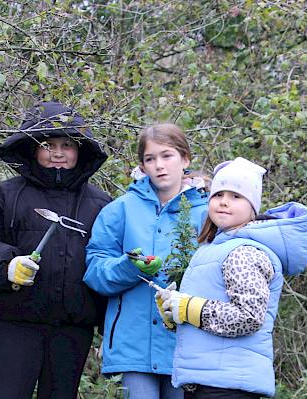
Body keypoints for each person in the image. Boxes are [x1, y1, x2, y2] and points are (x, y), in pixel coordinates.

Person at [0, 102, 110, 399]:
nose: (57, 152)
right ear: (32, 148)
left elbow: (110, 265)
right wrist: (7, 266)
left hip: (72, 330)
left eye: (67, 144)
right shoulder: (2, 196)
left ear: (80, 150)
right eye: (47, 144)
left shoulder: (102, 204)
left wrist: (111, 329)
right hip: (16, 326)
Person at [158, 157, 307, 399]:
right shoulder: (213, 248)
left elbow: (248, 317)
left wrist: (190, 308)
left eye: (236, 197)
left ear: (252, 207)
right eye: (218, 195)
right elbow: (208, 319)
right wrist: (175, 313)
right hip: (206, 382)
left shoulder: (244, 252)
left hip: (229, 387)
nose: (224, 202)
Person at [83, 123, 208, 399]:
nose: (159, 166)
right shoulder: (119, 209)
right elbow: (94, 271)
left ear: (185, 159)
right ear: (142, 165)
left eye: (167, 156)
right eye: (150, 159)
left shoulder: (209, 212)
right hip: (132, 344)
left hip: (187, 344)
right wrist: (128, 267)